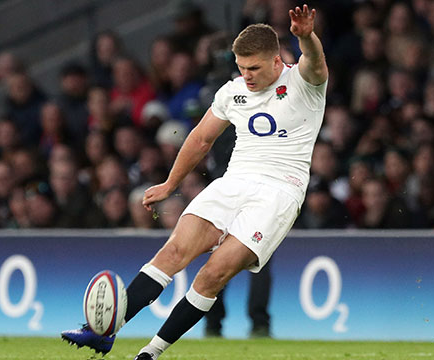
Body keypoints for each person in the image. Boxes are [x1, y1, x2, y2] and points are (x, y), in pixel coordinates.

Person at [62, 5, 328, 359]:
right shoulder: (232, 92)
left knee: (213, 274)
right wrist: (170, 184)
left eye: (254, 68)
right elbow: (200, 139)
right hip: (233, 182)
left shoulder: (304, 84)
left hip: (279, 193)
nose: (246, 76)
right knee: (172, 252)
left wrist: (306, 36)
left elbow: (315, 61)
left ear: (277, 61)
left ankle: (150, 353)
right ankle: (105, 332)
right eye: (241, 67)